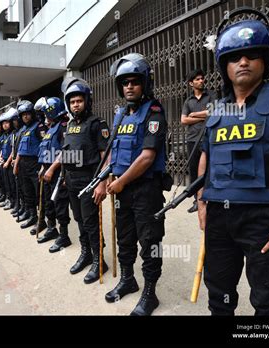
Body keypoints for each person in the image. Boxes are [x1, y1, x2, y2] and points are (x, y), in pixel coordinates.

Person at [197, 9, 269, 315]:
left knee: (267, 300)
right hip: (218, 218)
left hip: (264, 219)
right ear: (224, 65)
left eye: (252, 55)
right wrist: (203, 203)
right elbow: (207, 156)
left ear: (265, 60)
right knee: (219, 295)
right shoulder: (218, 110)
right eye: (234, 57)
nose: (243, 62)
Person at [102, 53, 168, 316]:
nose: (129, 86)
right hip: (121, 189)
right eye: (125, 83)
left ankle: (150, 293)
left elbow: (147, 157)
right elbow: (112, 151)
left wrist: (120, 182)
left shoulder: (153, 113)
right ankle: (128, 279)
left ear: (145, 84)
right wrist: (108, 176)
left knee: (150, 240)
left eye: (135, 82)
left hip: (145, 190)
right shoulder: (120, 117)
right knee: (125, 238)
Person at [45, 78, 110, 284]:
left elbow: (104, 156)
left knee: (91, 222)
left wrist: (102, 182)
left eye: (79, 101)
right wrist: (61, 173)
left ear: (86, 101)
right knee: (80, 220)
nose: (75, 105)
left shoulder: (96, 124)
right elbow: (67, 154)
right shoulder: (70, 125)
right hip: (71, 180)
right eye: (72, 102)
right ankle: (86, 254)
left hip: (89, 180)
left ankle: (100, 260)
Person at [39, 97, 72, 251]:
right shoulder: (52, 127)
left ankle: (64, 236)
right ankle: (52, 229)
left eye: (46, 112)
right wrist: (43, 168)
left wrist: (52, 169)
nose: (44, 115)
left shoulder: (63, 126)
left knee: (60, 204)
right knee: (48, 202)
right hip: (47, 172)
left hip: (58, 172)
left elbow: (66, 152)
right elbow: (47, 150)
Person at [181, 69, 216, 213]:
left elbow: (214, 110)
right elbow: (183, 120)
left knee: (211, 169)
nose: (201, 81)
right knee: (194, 171)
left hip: (209, 137)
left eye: (202, 78)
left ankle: (212, 199)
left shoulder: (211, 95)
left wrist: (194, 114)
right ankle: (197, 200)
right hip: (192, 139)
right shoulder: (188, 101)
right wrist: (204, 117)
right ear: (191, 83)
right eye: (197, 79)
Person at [13, 100, 47, 230]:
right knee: (28, 193)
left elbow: (45, 146)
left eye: (27, 114)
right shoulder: (23, 130)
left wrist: (43, 166)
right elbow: (20, 150)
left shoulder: (39, 127)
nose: (25, 116)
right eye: (23, 115)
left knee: (39, 194)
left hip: (35, 164)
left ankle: (42, 220)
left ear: (32, 114)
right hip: (23, 165)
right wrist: (16, 165)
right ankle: (32, 216)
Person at [0, 109, 18, 211]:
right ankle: (9, 200)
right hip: (4, 162)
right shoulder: (5, 135)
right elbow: (3, 148)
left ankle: (15, 203)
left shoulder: (13, 134)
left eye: (7, 123)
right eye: (3, 123)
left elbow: (13, 150)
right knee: (6, 183)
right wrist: (1, 157)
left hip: (10, 163)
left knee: (12, 184)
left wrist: (7, 162)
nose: (5, 125)